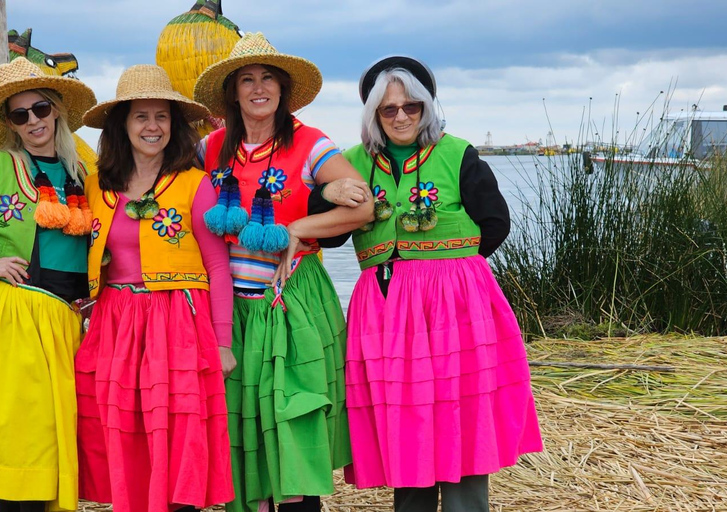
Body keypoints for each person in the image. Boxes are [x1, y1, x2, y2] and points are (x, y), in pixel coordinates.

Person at [340, 56, 544, 512]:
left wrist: (452, 272)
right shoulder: (352, 164)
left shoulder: (458, 154)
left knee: (463, 412)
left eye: (411, 107)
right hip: (388, 312)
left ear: (427, 108)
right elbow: (331, 233)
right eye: (388, 109)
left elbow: (496, 223)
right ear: (373, 114)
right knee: (407, 421)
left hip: (455, 307)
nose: (400, 117)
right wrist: (331, 194)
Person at [192, 32, 373, 512]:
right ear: (232, 91)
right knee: (243, 429)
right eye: (247, 79)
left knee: (292, 422)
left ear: (282, 89)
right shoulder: (210, 149)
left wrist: (301, 226)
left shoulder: (311, 143)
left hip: (290, 299)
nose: (258, 88)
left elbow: (362, 205)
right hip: (233, 306)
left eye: (267, 78)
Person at [74, 64, 235, 512]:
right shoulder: (95, 188)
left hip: (178, 324)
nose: (152, 126)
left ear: (174, 125)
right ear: (121, 125)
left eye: (161, 116)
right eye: (141, 116)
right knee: (126, 439)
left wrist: (222, 343)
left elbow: (217, 266)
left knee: (181, 437)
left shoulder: (193, 185)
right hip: (115, 325)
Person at [0, 56, 96, 512]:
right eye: (20, 115)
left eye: (40, 109)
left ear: (55, 108)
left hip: (71, 316)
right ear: (11, 124)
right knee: (28, 428)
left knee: (63, 427)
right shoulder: (3, 165)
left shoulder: (84, 166)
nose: (33, 121)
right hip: (22, 311)